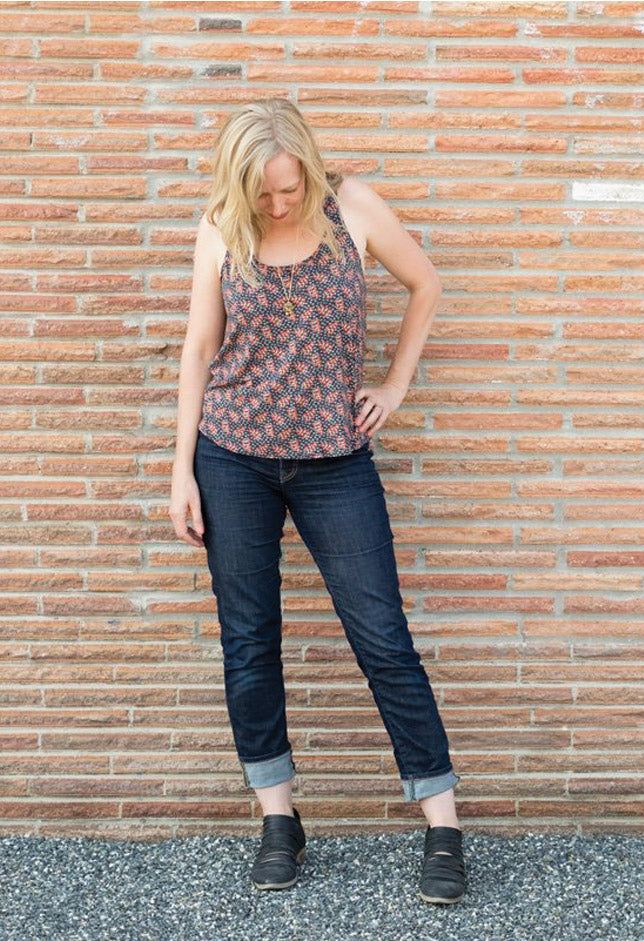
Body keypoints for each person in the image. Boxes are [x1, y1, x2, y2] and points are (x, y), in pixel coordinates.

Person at [168, 98, 466, 904]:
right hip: (233, 459)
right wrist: (181, 469)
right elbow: (199, 349)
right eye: (261, 191)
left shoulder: (354, 207)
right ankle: (278, 819)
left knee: (383, 635)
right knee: (250, 638)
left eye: (287, 188)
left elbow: (426, 283)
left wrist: (395, 385)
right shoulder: (222, 224)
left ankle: (442, 822)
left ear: (306, 164)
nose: (275, 204)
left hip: (335, 461)